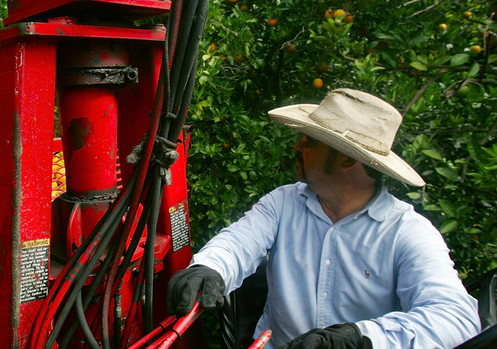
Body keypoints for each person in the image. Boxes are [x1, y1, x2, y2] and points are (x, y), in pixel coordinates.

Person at [167, 88, 481, 348]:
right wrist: (211, 267)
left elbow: (456, 319)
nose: (297, 146)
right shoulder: (284, 202)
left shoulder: (407, 233)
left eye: (309, 142)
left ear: (346, 159)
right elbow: (240, 242)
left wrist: (358, 339)